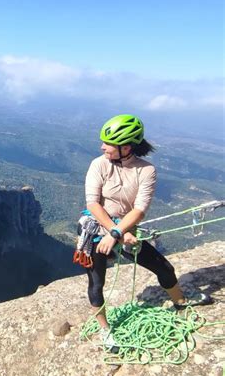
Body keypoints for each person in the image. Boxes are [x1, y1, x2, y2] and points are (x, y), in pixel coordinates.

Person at [83, 114, 212, 350]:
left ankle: (181, 302)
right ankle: (105, 331)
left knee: (164, 268)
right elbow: (93, 204)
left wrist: (120, 233)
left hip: (125, 231)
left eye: (108, 144)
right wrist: (114, 232)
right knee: (96, 282)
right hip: (97, 230)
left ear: (127, 147)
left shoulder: (146, 171)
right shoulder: (98, 164)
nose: (102, 147)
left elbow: (140, 209)